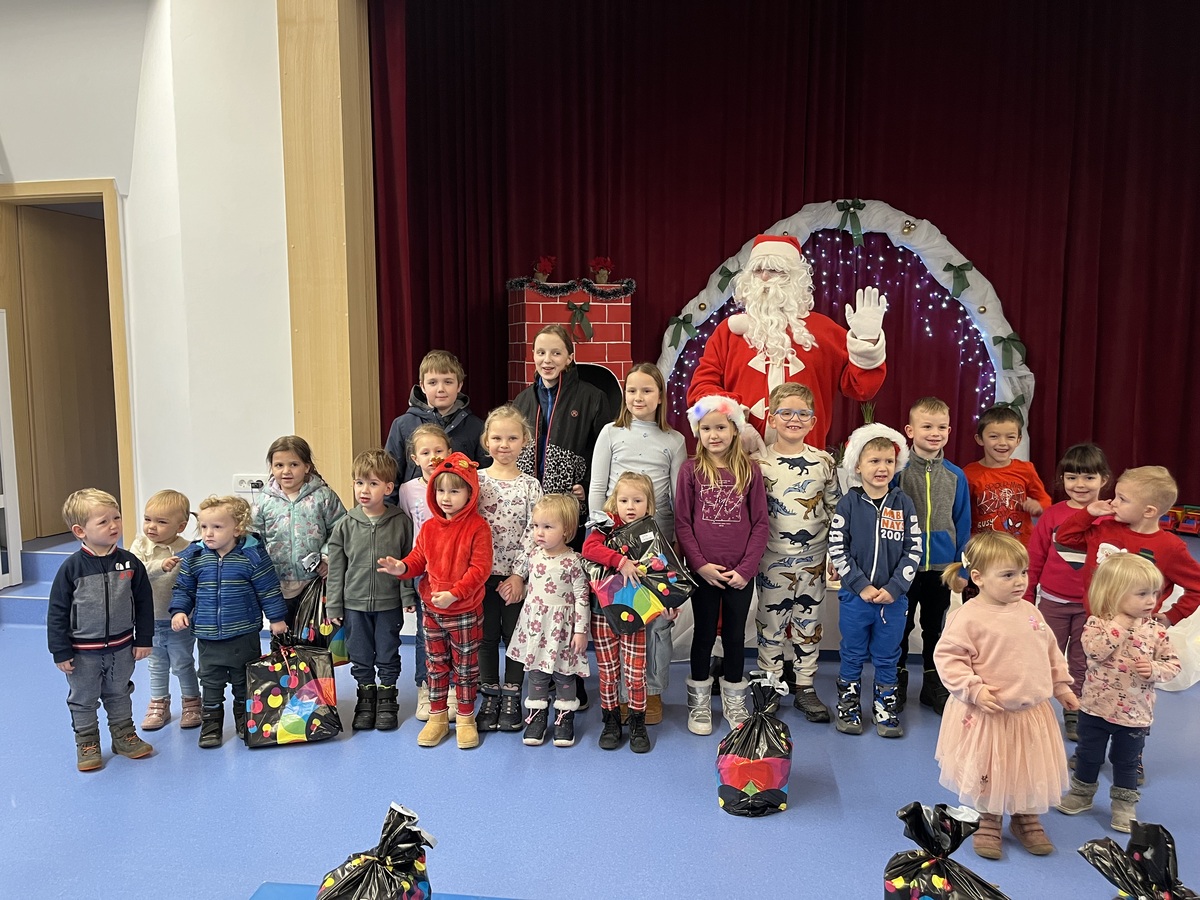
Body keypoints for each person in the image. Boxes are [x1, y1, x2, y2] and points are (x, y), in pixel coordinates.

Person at [933, 532, 1078, 860]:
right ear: (978, 577)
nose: (1020, 581)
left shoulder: (1030, 611)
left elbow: (1050, 652)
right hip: (989, 714)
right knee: (990, 768)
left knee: (1028, 766)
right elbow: (949, 659)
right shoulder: (967, 617)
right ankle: (989, 817)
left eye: (1023, 572)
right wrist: (974, 689)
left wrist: (1061, 686)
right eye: (1008, 575)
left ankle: (1026, 816)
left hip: (1031, 712)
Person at [687, 233, 888, 452]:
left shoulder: (825, 331)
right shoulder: (728, 332)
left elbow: (862, 389)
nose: (764, 277)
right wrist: (736, 420)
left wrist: (867, 343)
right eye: (757, 270)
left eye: (774, 270)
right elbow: (699, 391)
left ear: (795, 278)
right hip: (738, 458)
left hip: (806, 460)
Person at [588, 362, 686, 724]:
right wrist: (600, 533)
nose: (638, 397)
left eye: (646, 390)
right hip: (616, 547)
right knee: (623, 619)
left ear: (660, 396)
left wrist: (673, 548)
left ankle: (654, 690)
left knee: (657, 624)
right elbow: (599, 486)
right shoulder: (611, 432)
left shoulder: (674, 440)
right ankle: (624, 694)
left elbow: (675, 497)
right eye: (632, 390)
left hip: (656, 549)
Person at [1055, 554, 1179, 833]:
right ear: (1113, 594)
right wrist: (1119, 626)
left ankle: (1124, 805)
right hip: (1095, 708)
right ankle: (1082, 794)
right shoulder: (1097, 624)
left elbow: (1173, 664)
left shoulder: (1156, 632)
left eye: (1154, 593)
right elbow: (1095, 651)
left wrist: (1155, 669)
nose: (1151, 601)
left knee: (1126, 762)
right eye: (1142, 594)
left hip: (1134, 714)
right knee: (1087, 755)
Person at [377, 452, 492, 750]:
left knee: (465, 668)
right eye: (440, 490)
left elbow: (480, 569)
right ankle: (438, 718)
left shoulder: (478, 527)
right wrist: (401, 567)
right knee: (436, 666)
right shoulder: (429, 528)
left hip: (464, 611)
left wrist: (455, 593)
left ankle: (465, 718)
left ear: (470, 493)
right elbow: (418, 559)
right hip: (432, 611)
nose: (446, 498)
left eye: (454, 491)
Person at [676, 394, 769, 735]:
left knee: (734, 635)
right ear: (697, 432)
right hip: (703, 573)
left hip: (739, 574)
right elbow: (683, 523)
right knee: (702, 634)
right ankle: (699, 702)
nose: (713, 435)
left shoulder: (750, 470)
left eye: (720, 428)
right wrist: (700, 565)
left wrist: (746, 569)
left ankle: (733, 698)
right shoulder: (690, 471)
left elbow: (760, 524)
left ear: (734, 430)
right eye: (706, 429)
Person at [48, 489, 155, 771]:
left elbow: (144, 603)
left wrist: (143, 639)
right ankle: (87, 743)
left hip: (122, 647)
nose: (114, 525)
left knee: (119, 692)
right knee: (83, 699)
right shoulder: (71, 569)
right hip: (82, 652)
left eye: (116, 517)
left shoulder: (130, 563)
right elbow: (57, 612)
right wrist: (60, 650)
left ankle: (124, 737)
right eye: (104, 521)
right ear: (80, 531)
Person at [170, 495, 288, 748]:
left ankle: (245, 721)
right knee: (210, 683)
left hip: (243, 633)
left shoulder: (252, 556)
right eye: (204, 527)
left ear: (237, 529)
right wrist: (179, 611)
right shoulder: (196, 556)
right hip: (208, 636)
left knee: (243, 682)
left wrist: (276, 618)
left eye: (217, 527)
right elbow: (184, 589)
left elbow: (268, 589)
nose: (208, 533)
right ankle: (211, 724)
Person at [754, 382, 840, 723]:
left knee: (808, 623)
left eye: (803, 414)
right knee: (771, 624)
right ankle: (771, 684)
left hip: (814, 559)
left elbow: (835, 512)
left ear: (813, 421)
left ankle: (804, 685)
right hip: (771, 560)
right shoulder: (758, 464)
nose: (794, 419)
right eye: (786, 413)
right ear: (772, 418)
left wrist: (836, 556)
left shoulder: (823, 462)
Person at [829, 424, 923, 738]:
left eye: (888, 461)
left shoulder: (903, 502)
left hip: (893, 601)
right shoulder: (848, 503)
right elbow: (837, 548)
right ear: (858, 466)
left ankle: (885, 708)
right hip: (855, 599)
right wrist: (861, 585)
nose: (882, 467)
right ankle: (849, 706)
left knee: (888, 655)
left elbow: (914, 548)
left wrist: (895, 588)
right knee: (852, 653)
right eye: (874, 461)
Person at [1024, 443, 1112, 740]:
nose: (1080, 484)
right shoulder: (1052, 515)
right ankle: (1033, 706)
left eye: (1089, 477)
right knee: (1044, 654)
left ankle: (1074, 709)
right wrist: (1027, 597)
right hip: (1052, 602)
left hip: (1092, 607)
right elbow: (1035, 557)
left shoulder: (1111, 518)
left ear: (1104, 479)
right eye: (1072, 477)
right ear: (1062, 480)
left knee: (1082, 659)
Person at [326, 449, 417, 732]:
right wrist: (334, 605)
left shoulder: (401, 522)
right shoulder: (345, 525)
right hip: (353, 605)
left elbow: (407, 562)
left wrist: (407, 594)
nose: (364, 490)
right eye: (359, 482)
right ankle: (366, 698)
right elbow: (336, 569)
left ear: (388, 488)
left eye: (373, 483)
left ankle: (387, 698)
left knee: (388, 651)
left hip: (388, 604)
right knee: (360, 653)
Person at [894, 397, 971, 716]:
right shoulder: (898, 472)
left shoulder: (956, 475)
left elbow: (962, 522)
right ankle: (895, 678)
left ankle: (932, 681)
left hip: (941, 567)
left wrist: (960, 568)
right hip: (903, 567)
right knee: (899, 626)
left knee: (935, 628)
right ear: (910, 431)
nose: (935, 433)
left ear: (950, 431)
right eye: (927, 426)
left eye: (942, 427)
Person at [1056, 465, 1200, 625]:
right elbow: (1064, 537)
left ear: (1149, 511)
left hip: (1137, 632)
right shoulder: (1105, 529)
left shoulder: (1170, 547)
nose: (1113, 503)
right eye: (1115, 496)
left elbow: (1197, 585)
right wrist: (1088, 513)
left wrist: (1173, 616)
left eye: (1122, 499)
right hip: (1095, 622)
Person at [475, 405, 543, 733]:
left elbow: (535, 533)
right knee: (486, 637)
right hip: (480, 577)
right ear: (486, 440)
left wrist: (518, 575)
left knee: (515, 636)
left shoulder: (531, 486)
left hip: (516, 577)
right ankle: (489, 695)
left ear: (525, 441)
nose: (504, 445)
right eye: (497, 438)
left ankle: (513, 695)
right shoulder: (475, 481)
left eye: (512, 438)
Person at [582, 472, 659, 753]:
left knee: (635, 672)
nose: (630, 506)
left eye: (637, 500)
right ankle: (611, 721)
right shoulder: (605, 526)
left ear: (649, 505)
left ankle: (637, 721)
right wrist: (620, 561)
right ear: (615, 501)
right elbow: (589, 548)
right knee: (608, 671)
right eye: (624, 500)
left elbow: (661, 572)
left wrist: (668, 604)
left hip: (635, 613)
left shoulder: (651, 533)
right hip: (603, 611)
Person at [507, 494, 591, 748]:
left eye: (547, 527)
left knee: (564, 675)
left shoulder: (574, 562)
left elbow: (582, 597)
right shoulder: (533, 556)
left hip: (563, 629)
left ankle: (564, 717)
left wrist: (581, 631)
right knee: (536, 673)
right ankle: (537, 717)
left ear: (566, 530)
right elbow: (526, 583)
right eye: (535, 526)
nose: (539, 533)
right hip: (536, 627)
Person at [513, 324, 609, 536]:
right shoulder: (522, 400)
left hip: (569, 506)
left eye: (556, 353)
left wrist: (587, 484)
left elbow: (603, 450)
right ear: (533, 355)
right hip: (530, 505)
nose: (547, 360)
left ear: (569, 358)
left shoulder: (593, 398)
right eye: (541, 353)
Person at [251, 435, 346, 628]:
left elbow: (340, 529)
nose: (286, 471)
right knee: (282, 635)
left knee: (312, 635)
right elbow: (254, 538)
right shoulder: (263, 501)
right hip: (277, 583)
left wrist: (326, 557)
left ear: (307, 467)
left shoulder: (323, 496)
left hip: (315, 582)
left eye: (293, 464)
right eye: (279, 465)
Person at [131, 489, 201, 732]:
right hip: (148, 621)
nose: (152, 526)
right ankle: (159, 703)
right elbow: (134, 571)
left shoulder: (188, 549)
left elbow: (193, 582)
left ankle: (192, 702)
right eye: (147, 519)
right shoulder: (140, 545)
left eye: (161, 522)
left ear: (180, 526)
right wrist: (159, 565)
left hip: (179, 621)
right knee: (156, 664)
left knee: (183, 663)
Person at [397, 423, 452, 721]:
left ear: (450, 453)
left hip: (455, 571)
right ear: (414, 458)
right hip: (425, 573)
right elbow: (409, 533)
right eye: (426, 452)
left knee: (456, 632)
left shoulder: (459, 484)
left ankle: (453, 686)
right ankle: (426, 686)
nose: (433, 457)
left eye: (439, 450)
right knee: (425, 632)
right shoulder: (408, 490)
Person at [384, 349, 488, 487]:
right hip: (414, 500)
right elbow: (389, 477)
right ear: (422, 386)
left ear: (459, 385)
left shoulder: (476, 427)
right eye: (433, 383)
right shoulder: (402, 425)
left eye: (448, 382)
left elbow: (483, 477)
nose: (441, 389)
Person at [962, 405, 1051, 545]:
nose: (1002, 443)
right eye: (994, 436)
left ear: (1018, 440)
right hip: (985, 547)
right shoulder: (969, 474)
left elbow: (1045, 500)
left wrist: (1038, 506)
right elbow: (962, 513)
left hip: (1020, 546)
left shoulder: (1025, 469)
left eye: (1010, 437)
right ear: (980, 439)